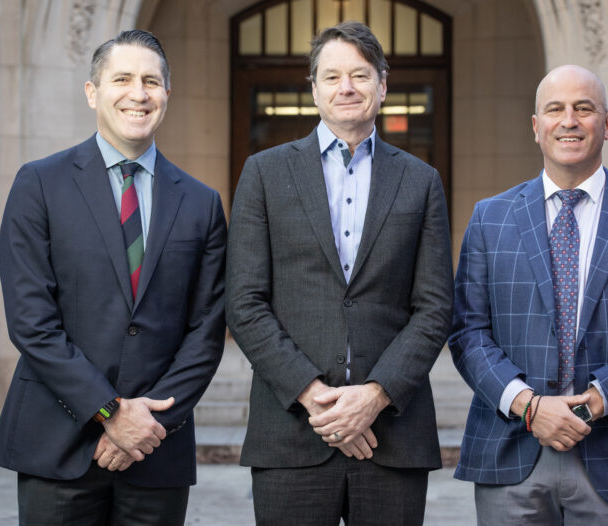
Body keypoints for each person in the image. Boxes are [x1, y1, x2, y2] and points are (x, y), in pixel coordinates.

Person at [0, 30, 227, 525]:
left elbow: (206, 330)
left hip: (157, 448)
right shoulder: (39, 184)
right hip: (58, 444)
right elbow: (32, 320)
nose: (138, 94)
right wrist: (110, 412)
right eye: (121, 79)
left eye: (151, 81)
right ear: (93, 92)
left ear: (167, 95)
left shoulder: (201, 202)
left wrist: (148, 423)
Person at [225, 21, 453, 525]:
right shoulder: (263, 174)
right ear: (313, 89)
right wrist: (314, 395)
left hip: (391, 434)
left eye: (360, 75)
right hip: (291, 433)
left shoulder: (421, 182)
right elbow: (243, 301)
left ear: (383, 84)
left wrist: (374, 397)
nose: (346, 87)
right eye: (332, 77)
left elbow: (435, 307)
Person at [449, 64, 608, 525]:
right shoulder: (489, 218)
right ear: (536, 126)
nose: (569, 121)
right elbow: (467, 333)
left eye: (584, 109)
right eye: (555, 109)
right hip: (511, 451)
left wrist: (592, 402)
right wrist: (531, 406)